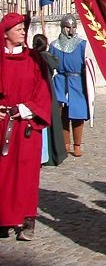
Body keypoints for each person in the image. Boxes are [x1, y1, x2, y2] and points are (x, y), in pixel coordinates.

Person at [0, 13, 52, 241]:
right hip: (2, 124)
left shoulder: (34, 59)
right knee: (3, 174)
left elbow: (43, 92)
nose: (23, 31)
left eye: (24, 28)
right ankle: (4, 217)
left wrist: (24, 109)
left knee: (26, 174)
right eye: (18, 28)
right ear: (5, 34)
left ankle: (27, 219)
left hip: (26, 125)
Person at [49, 14, 91, 157]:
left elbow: (88, 65)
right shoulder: (54, 45)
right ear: (62, 27)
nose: (71, 30)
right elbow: (50, 64)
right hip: (60, 82)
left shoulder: (82, 44)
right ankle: (65, 144)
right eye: (67, 27)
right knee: (63, 115)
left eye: (73, 27)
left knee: (78, 114)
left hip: (77, 82)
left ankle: (77, 145)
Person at [32, 34, 67, 167]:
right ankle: (48, 155)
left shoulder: (33, 57)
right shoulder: (45, 57)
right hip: (46, 90)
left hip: (41, 91)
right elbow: (55, 64)